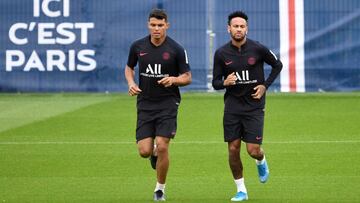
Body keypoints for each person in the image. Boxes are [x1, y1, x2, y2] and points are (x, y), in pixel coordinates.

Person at [212, 11, 282, 201]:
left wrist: (264, 86)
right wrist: (225, 82)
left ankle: (261, 159)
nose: (239, 29)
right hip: (233, 107)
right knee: (233, 148)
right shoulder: (221, 53)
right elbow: (215, 83)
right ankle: (241, 190)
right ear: (229, 28)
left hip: (254, 106)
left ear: (247, 29)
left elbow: (278, 65)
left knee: (252, 150)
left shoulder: (258, 49)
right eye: (236, 26)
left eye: (242, 26)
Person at [124, 8, 191, 201]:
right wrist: (131, 83)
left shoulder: (176, 49)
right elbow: (129, 67)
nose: (156, 29)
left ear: (167, 26)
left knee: (163, 146)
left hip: (168, 103)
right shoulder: (138, 46)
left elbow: (187, 77)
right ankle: (152, 152)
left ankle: (159, 189)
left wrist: (174, 80)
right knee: (145, 152)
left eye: (160, 25)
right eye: (153, 25)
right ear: (148, 25)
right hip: (145, 103)